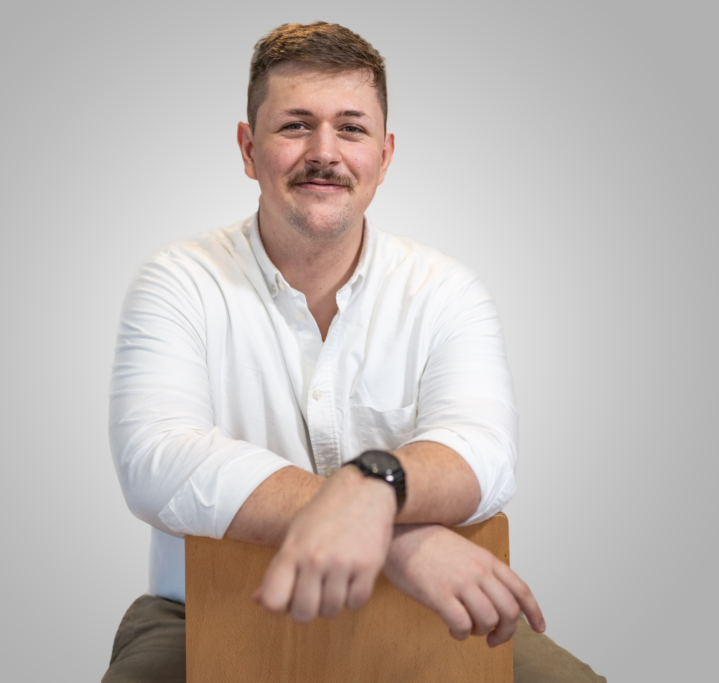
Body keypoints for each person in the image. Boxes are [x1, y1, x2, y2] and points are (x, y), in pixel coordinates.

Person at [104, 22, 605, 683]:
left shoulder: (446, 291)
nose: (324, 152)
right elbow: (158, 459)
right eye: (295, 126)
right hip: (201, 607)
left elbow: (485, 455)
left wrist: (372, 491)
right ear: (248, 149)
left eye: (351, 128)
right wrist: (391, 532)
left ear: (384, 155)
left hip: (423, 610)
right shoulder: (178, 281)